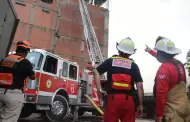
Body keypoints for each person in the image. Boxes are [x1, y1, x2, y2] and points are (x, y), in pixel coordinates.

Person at [93, 37, 144, 122]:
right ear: (131, 53)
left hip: (112, 100)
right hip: (128, 101)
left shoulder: (110, 61)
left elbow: (96, 71)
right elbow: (140, 86)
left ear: (118, 49)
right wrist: (141, 105)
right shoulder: (134, 65)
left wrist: (99, 89)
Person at [146, 37, 190, 122]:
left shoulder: (164, 69)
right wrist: (150, 51)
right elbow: (163, 57)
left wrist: (159, 115)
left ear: (161, 53)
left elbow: (161, 95)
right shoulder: (179, 64)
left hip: (172, 113)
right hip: (185, 109)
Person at [0, 40, 35, 122]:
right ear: (26, 52)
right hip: (13, 94)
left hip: (0, 91)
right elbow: (33, 77)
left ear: (17, 49)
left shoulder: (4, 59)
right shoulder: (25, 62)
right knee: (9, 119)